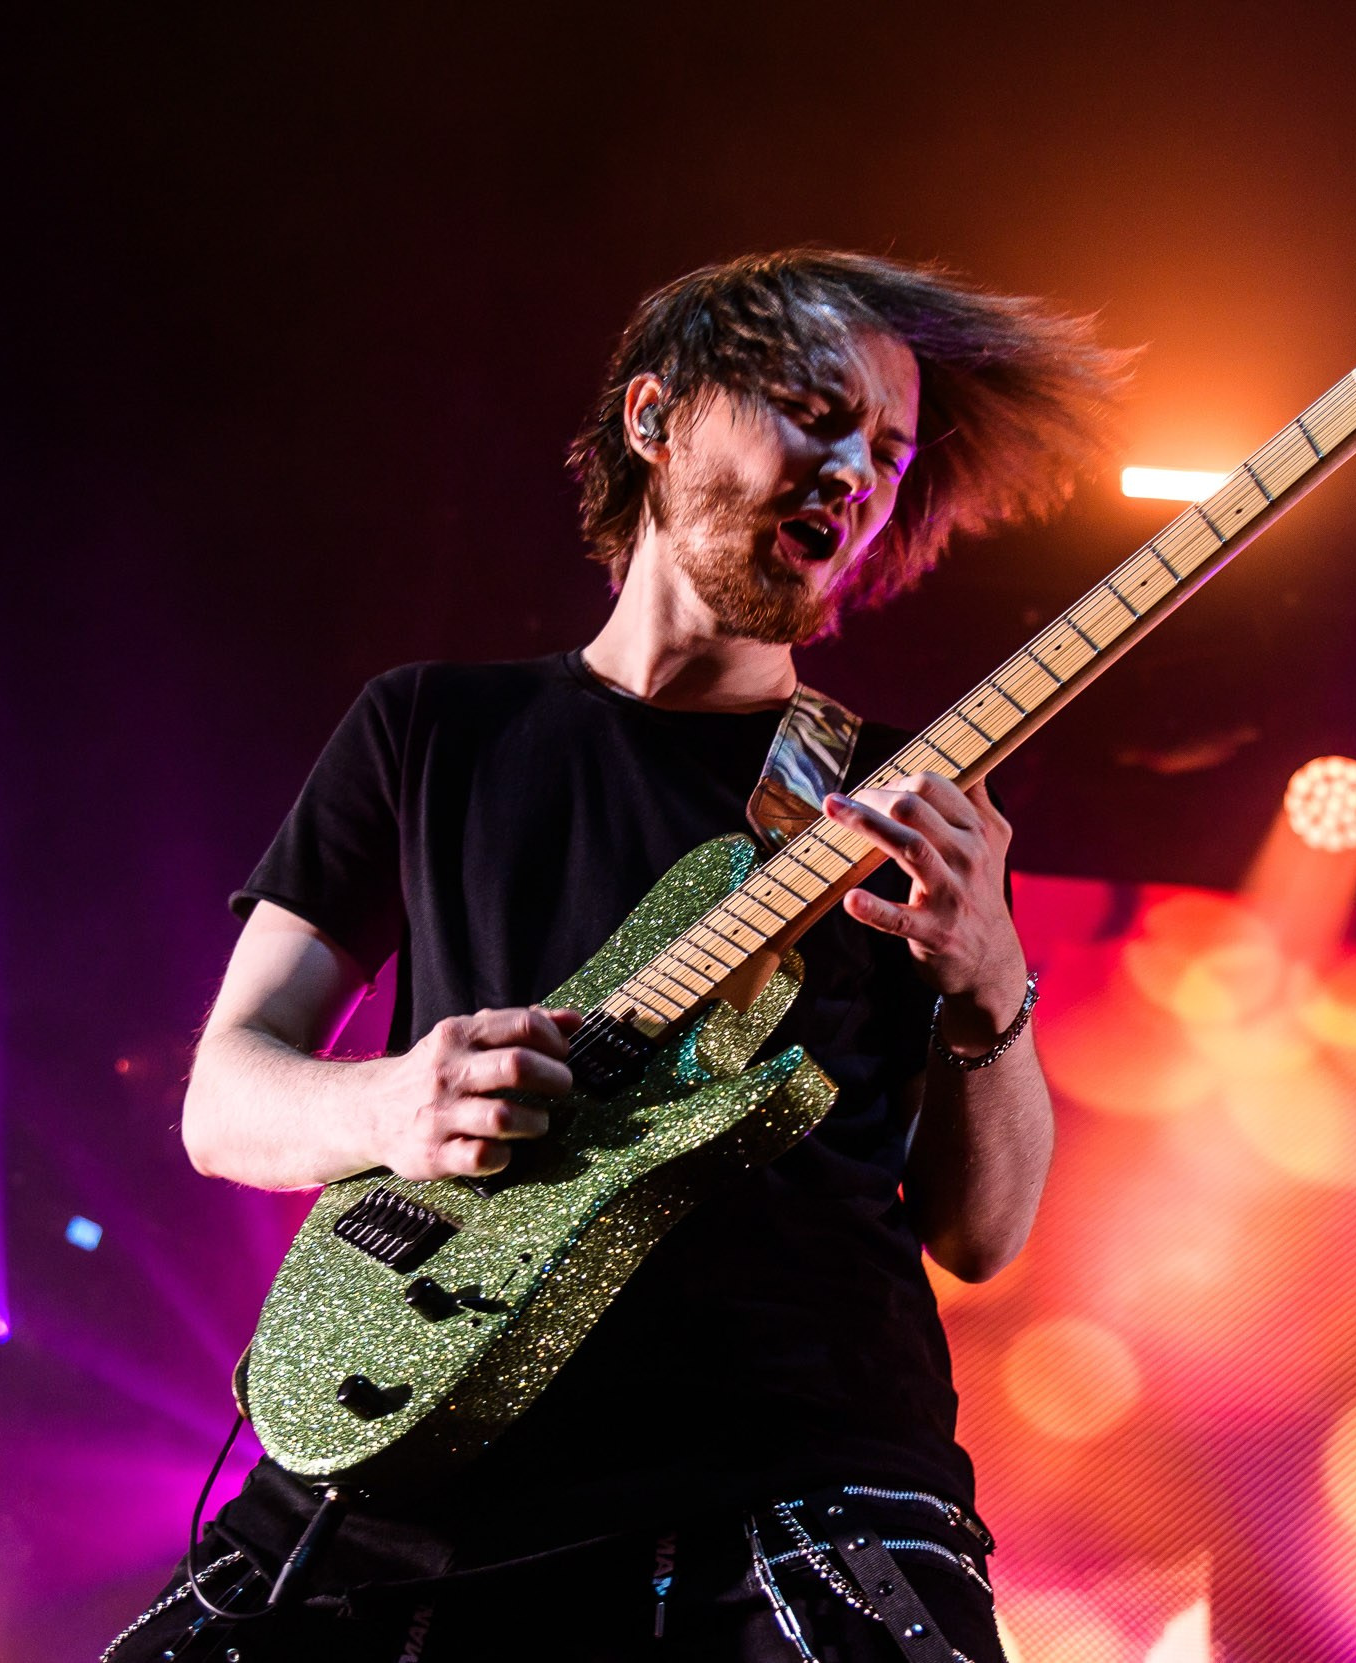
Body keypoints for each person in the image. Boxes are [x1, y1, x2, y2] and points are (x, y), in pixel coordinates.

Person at [107, 249, 1130, 1661]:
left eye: (888, 452)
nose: (857, 474)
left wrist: (988, 980)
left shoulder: (907, 796)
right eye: (814, 411)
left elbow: (982, 1232)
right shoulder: (431, 731)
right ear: (655, 418)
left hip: (802, 1488)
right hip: (421, 1455)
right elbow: (226, 1100)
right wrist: (392, 1104)